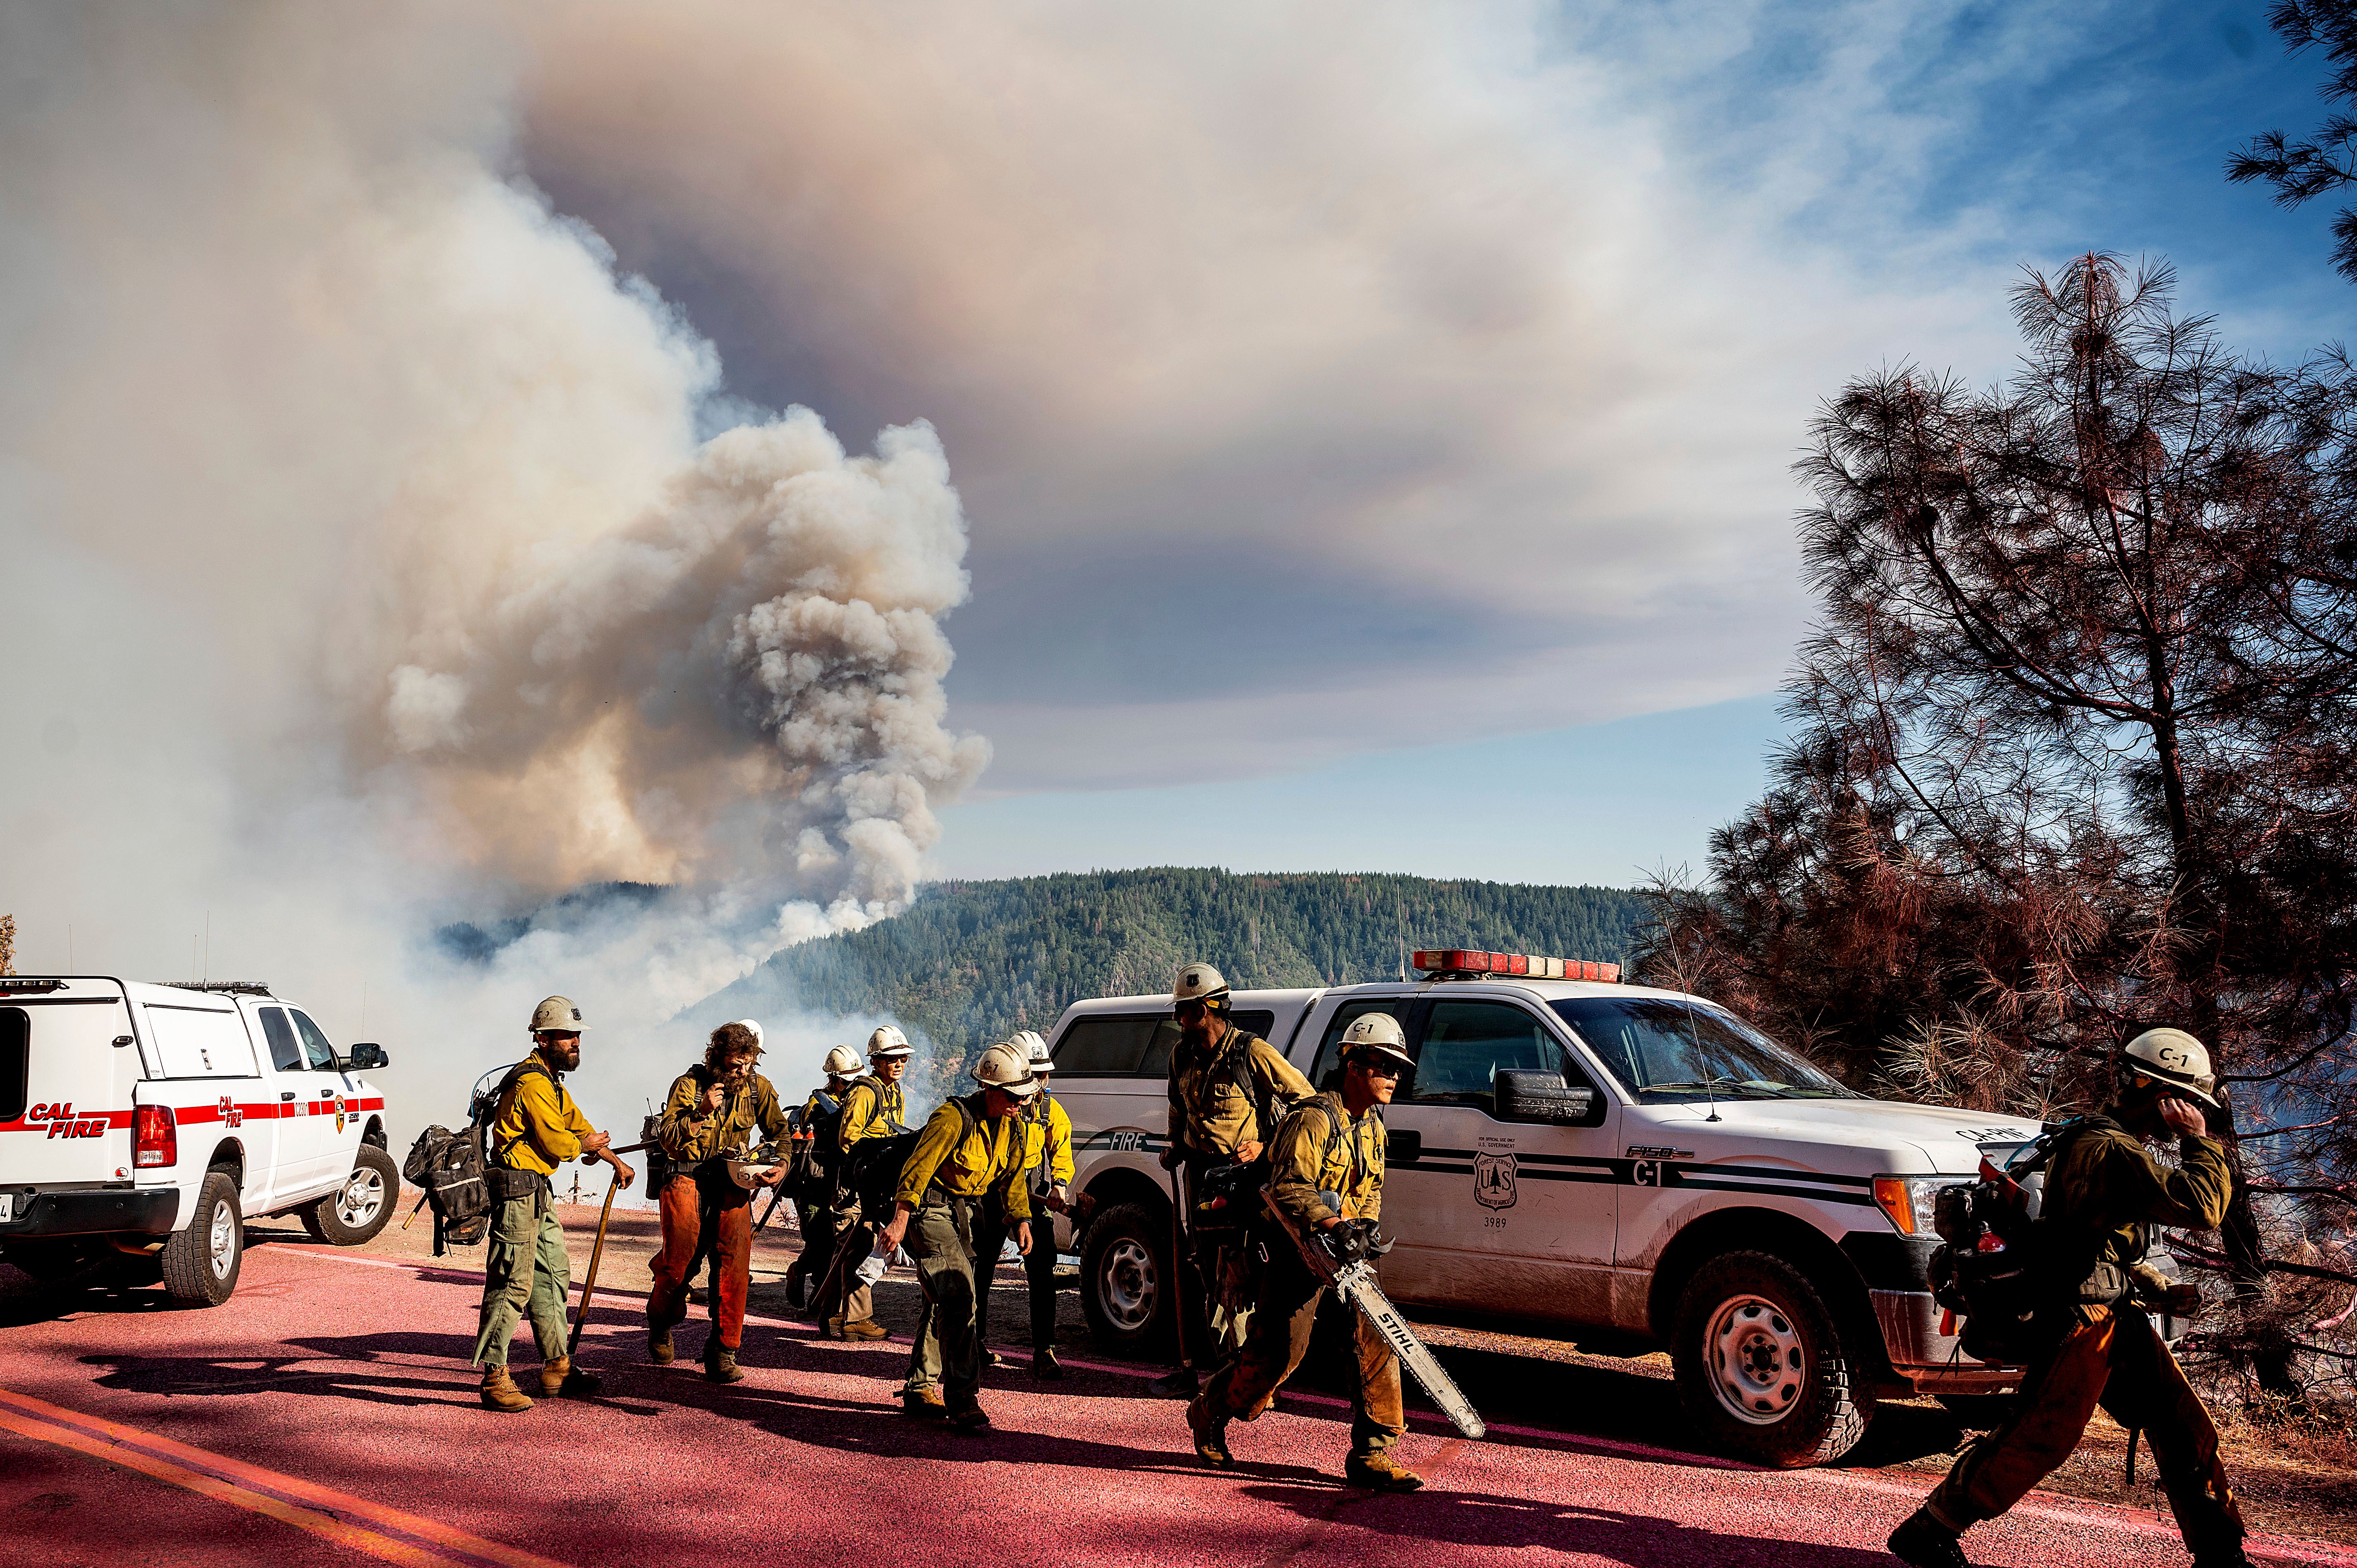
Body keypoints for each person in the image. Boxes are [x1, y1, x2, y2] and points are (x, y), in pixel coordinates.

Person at [1888, 1028, 2247, 1568]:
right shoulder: (2110, 1150)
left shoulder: (2091, 1137)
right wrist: (2199, 1140)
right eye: (2189, 1102)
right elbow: (2201, 1207)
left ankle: (2220, 1555)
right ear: (2163, 1095)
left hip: (2111, 1318)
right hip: (2081, 1321)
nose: (2192, 1113)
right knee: (2040, 1436)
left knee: (2181, 1426)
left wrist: (2154, 1289)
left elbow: (2096, 1240)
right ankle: (1930, 1530)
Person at [1186, 1013, 1420, 1490]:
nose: (1394, 1077)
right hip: (1297, 1251)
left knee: (1378, 1341)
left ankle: (1372, 1453)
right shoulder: (1314, 1119)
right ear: (1353, 1065)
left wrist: (1362, 1231)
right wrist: (1333, 1224)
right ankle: (1211, 1408)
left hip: (1346, 1258)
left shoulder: (1373, 1128)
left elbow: (1371, 1188)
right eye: (1384, 1066)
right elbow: (1289, 1188)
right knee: (1277, 1355)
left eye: (1398, 1069)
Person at [1151, 961, 1313, 1396]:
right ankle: (1233, 1373)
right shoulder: (1180, 1056)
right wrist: (1174, 1145)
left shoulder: (1251, 1054)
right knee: (1208, 1273)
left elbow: (1307, 1106)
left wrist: (1267, 1147)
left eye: (1183, 1011)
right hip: (1199, 1177)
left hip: (1243, 1182)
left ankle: (1252, 1377)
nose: (1177, 1019)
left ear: (1205, 1009)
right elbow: (1177, 1108)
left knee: (1245, 1276)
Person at [472, 995, 636, 1413]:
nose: (576, 1042)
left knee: (552, 1275)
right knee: (512, 1283)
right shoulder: (531, 1084)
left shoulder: (549, 1082)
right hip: (516, 1195)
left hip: (537, 1192)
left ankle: (557, 1368)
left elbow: (578, 1126)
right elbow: (560, 1142)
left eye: (577, 1035)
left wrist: (614, 1160)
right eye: (567, 1036)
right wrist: (586, 1145)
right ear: (543, 1039)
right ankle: (494, 1378)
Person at [879, 1038, 1038, 1431]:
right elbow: (916, 1171)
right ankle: (963, 1399)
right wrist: (899, 1222)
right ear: (990, 1089)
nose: (1020, 1102)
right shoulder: (952, 1118)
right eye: (1013, 1095)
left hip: (965, 1213)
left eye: (1023, 1094)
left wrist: (1021, 1219)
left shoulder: (1013, 1126)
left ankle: (919, 1388)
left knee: (940, 1299)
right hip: (928, 1210)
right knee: (959, 1295)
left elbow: (1013, 1177)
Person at [646, 1021, 790, 1383]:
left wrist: (781, 1166)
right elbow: (667, 1138)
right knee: (679, 1264)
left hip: (732, 1183)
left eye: (748, 1064)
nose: (742, 1072)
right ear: (716, 1059)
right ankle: (661, 1321)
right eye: (734, 1065)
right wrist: (700, 1113)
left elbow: (781, 1134)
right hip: (686, 1178)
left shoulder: (760, 1089)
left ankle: (723, 1351)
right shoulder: (689, 1086)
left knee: (735, 1268)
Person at [971, 1031, 1086, 1378]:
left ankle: (1044, 1350)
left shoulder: (1050, 1111)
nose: (1039, 1082)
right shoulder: (994, 1106)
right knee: (981, 1268)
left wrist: (1061, 1185)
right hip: (990, 1193)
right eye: (1033, 1074)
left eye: (1044, 1074)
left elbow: (1061, 1154)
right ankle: (973, 1342)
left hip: (1033, 1195)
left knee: (1042, 1272)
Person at [815, 1025, 912, 1341]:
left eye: (903, 1059)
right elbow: (849, 1139)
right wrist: (866, 1175)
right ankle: (855, 1318)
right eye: (891, 1059)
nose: (898, 1064)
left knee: (849, 1248)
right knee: (858, 1246)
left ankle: (831, 1316)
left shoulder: (892, 1092)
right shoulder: (866, 1091)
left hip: (874, 1179)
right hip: (856, 1182)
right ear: (877, 1061)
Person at [783, 1044, 864, 1311]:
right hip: (813, 1188)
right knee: (820, 1244)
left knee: (833, 1245)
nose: (850, 1086)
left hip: (838, 1184)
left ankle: (820, 1304)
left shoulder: (851, 1103)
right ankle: (799, 1271)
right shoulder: (816, 1108)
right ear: (835, 1080)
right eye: (845, 1082)